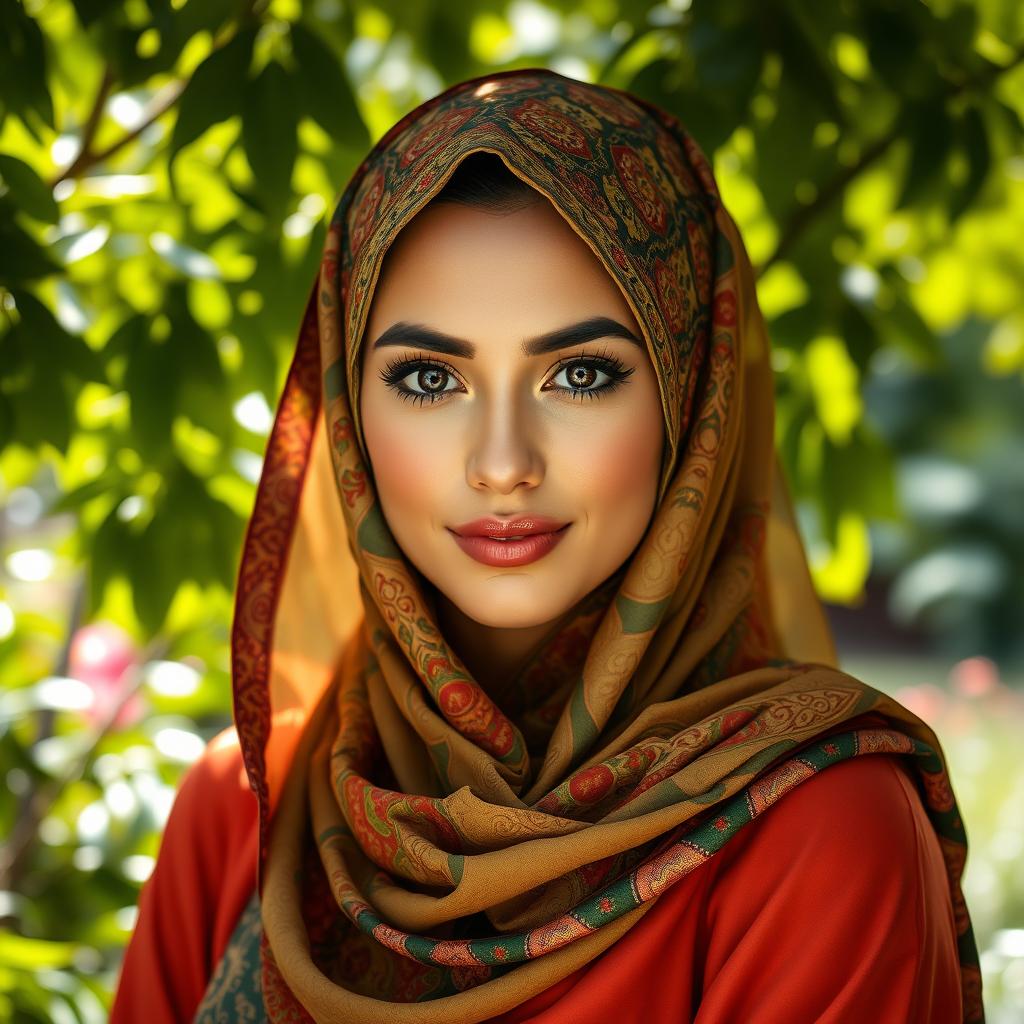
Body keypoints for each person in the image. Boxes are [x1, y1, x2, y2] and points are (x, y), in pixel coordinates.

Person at [110, 68, 983, 1023]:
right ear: (351, 410)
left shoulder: (820, 830)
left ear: (694, 405)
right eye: (429, 380)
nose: (501, 463)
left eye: (579, 373)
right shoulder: (247, 815)